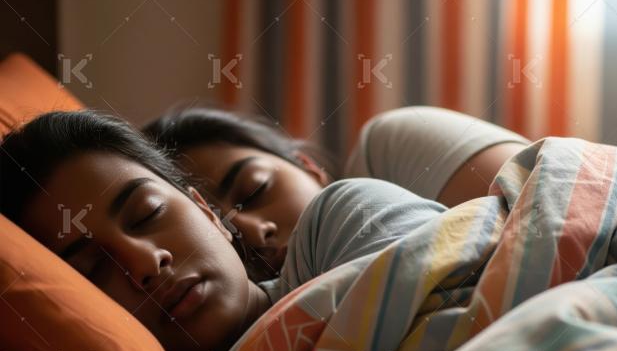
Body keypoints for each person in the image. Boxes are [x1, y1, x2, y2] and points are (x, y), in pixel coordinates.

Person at [0, 111, 447, 351]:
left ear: (207, 212)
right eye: (94, 268)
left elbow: (470, 342)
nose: (146, 263)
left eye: (147, 214)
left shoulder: (341, 219)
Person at [143, 106, 530, 282]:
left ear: (307, 165)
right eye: (213, 222)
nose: (253, 232)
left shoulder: (389, 150)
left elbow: (554, 203)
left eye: (256, 189)